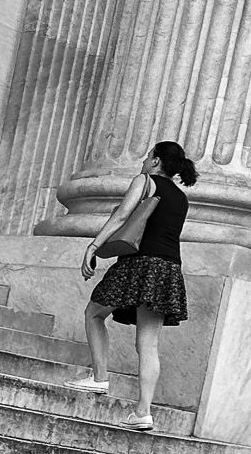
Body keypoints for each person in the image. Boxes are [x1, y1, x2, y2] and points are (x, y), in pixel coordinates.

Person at [67, 139, 197, 431]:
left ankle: (99, 377)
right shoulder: (181, 197)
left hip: (140, 263)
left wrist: (94, 246)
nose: (144, 161)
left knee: (94, 313)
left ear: (156, 161)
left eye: (148, 156)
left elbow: (122, 215)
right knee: (148, 344)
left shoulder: (145, 181)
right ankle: (143, 412)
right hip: (168, 268)